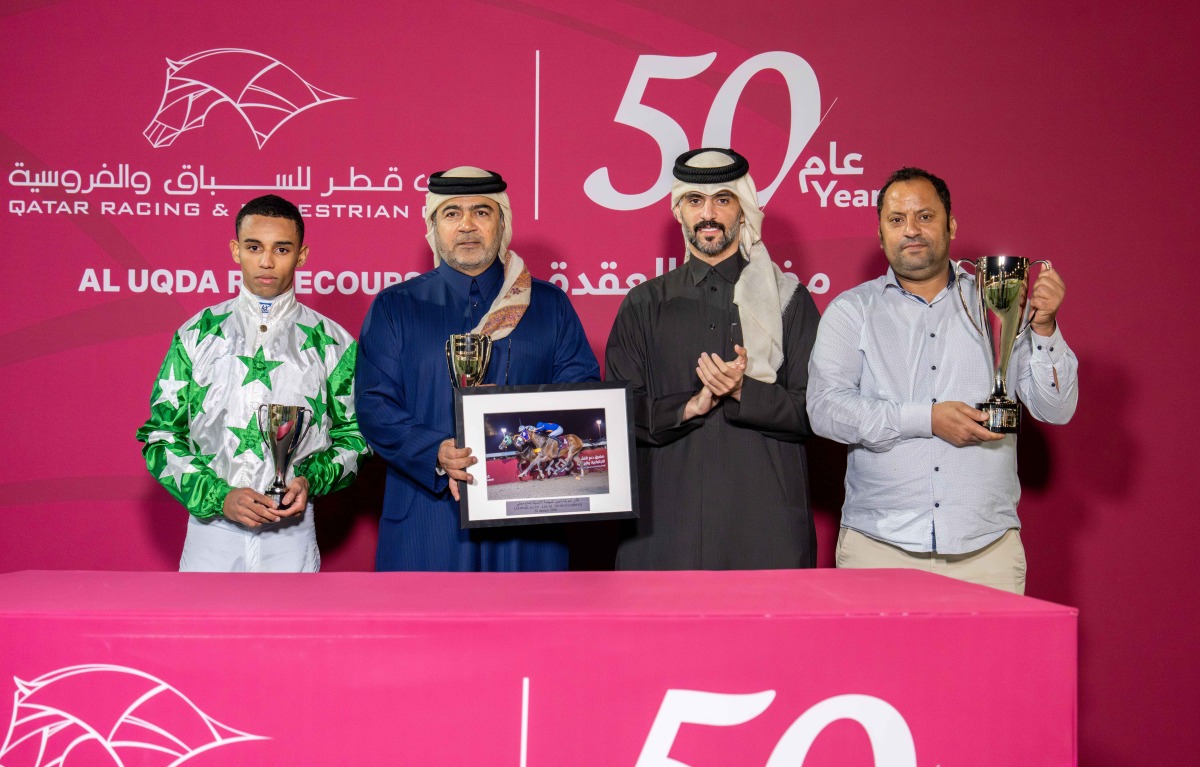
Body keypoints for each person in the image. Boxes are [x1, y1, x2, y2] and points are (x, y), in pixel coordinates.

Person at [806, 167, 1078, 594]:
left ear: (951, 225)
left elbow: (1056, 408)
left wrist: (1044, 328)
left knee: (994, 666)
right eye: (896, 220)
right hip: (879, 550)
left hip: (986, 552)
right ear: (880, 236)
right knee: (875, 666)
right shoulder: (851, 311)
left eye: (925, 216)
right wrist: (926, 418)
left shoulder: (999, 299)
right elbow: (825, 411)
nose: (911, 230)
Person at [356, 167, 600, 571]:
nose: (467, 225)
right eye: (452, 213)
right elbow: (373, 404)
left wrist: (544, 439)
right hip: (428, 514)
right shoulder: (395, 307)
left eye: (482, 212)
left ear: (502, 222)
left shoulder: (549, 305)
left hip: (526, 517)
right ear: (433, 225)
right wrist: (435, 452)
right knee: (425, 634)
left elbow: (583, 392)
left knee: (528, 633)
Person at [605, 148, 821, 569]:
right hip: (665, 529)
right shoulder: (644, 303)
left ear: (744, 208)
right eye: (695, 201)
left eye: (723, 199)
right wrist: (687, 407)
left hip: (766, 528)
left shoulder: (789, 301)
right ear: (679, 211)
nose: (708, 214)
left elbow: (819, 412)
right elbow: (616, 414)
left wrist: (744, 390)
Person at [136, 195, 369, 572]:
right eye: (253, 247)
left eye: (281, 249)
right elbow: (160, 436)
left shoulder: (333, 341)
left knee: (293, 633)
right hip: (210, 531)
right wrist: (218, 496)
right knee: (202, 632)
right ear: (235, 250)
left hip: (291, 531)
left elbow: (356, 437)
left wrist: (310, 480)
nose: (266, 261)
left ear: (302, 255)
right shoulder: (197, 333)